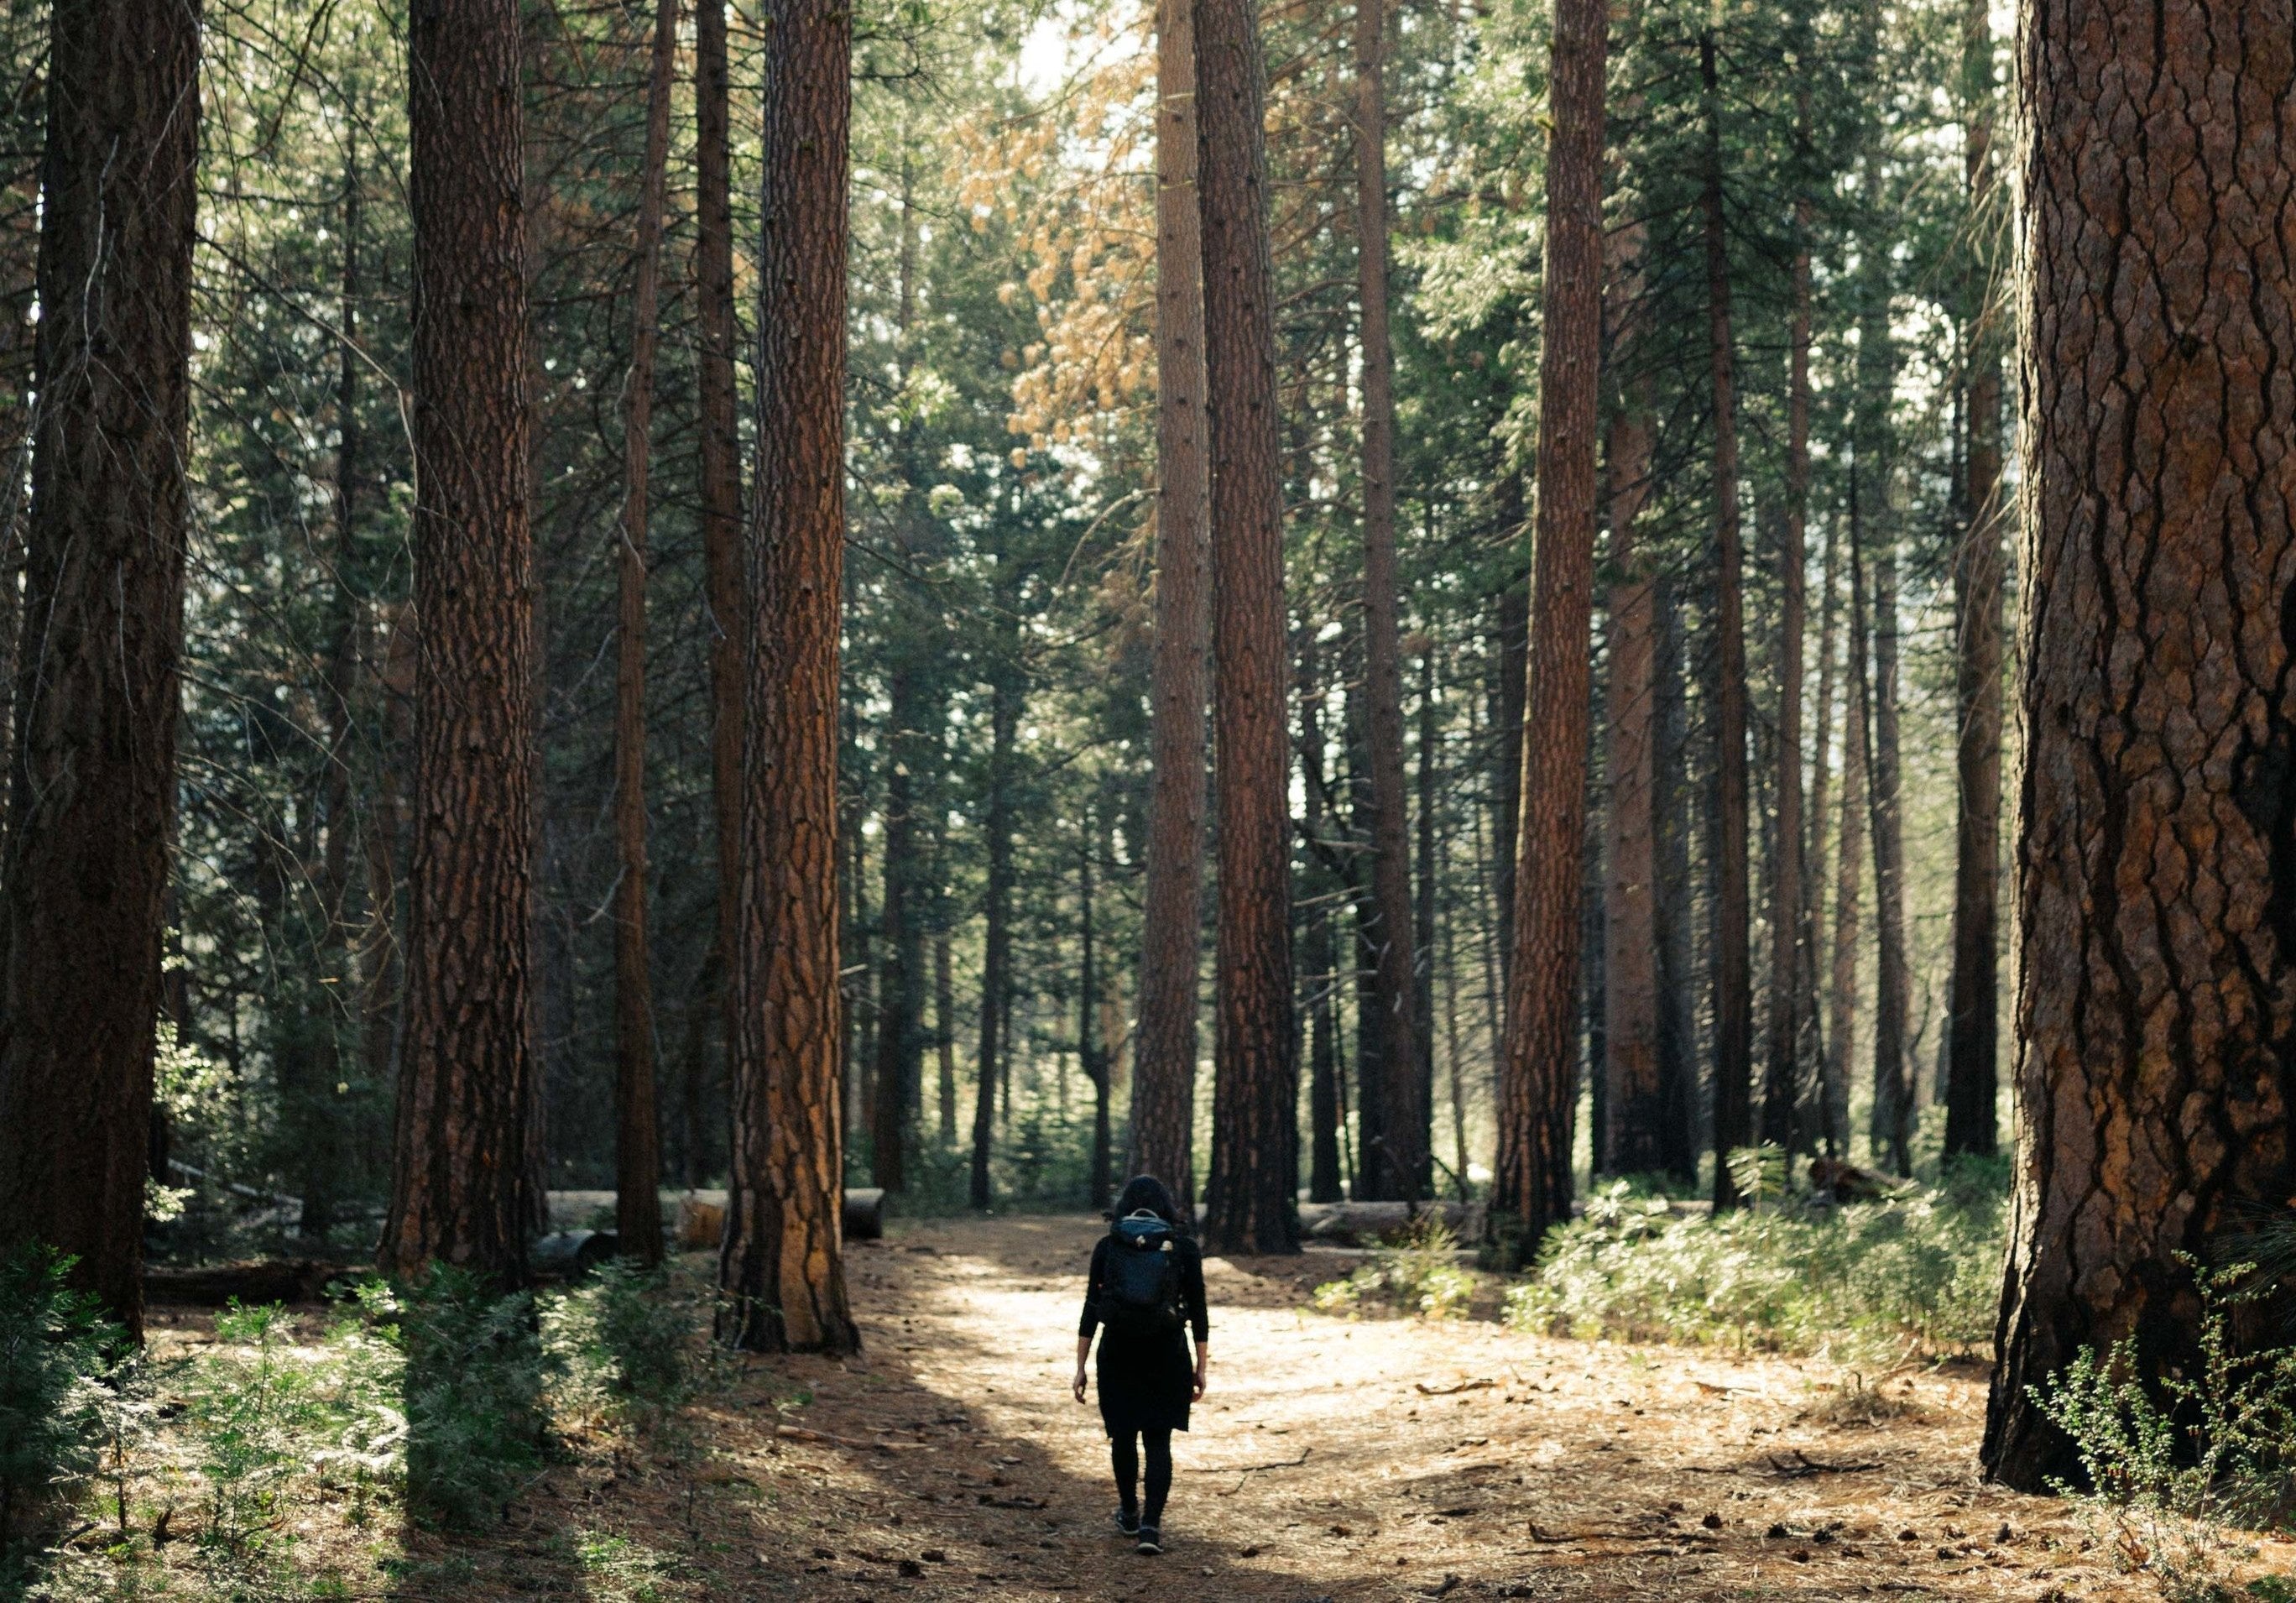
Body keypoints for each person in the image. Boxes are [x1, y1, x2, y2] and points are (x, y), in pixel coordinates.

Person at [1072, 1174, 1208, 1556]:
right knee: (1159, 1441)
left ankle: (1129, 1511)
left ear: (1122, 1207)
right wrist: (1201, 1366)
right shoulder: (1182, 1248)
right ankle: (1151, 1527)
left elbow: (1091, 1309)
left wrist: (1080, 1366)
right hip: (1167, 1353)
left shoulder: (1108, 1246)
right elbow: (1198, 1309)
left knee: (1124, 1436)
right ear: (1167, 1208)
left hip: (1117, 1351)